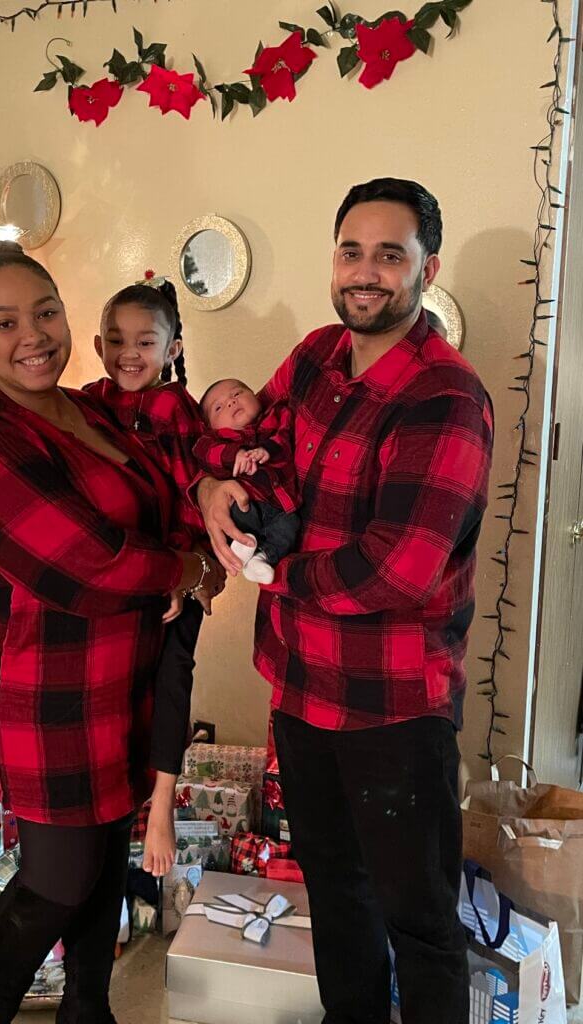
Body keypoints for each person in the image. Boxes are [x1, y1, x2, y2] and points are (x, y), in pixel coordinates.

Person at [197, 178, 493, 1024]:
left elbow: (396, 571)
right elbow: (248, 442)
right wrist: (212, 487)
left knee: (419, 920)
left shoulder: (445, 396)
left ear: (426, 270)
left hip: (393, 705)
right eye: (351, 251)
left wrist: (274, 571)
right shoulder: (317, 356)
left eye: (390, 255)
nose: (366, 272)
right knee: (335, 891)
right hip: (300, 688)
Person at [0, 241, 221, 1024]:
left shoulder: (94, 407)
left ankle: (89, 1011)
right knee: (58, 880)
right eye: (5, 322)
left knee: (100, 872)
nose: (32, 335)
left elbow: (170, 484)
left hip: (125, 685)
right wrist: (185, 569)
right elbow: (86, 564)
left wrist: (202, 531)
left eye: (46, 312)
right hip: (48, 700)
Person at [84, 276, 210, 879]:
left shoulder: (173, 410)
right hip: (120, 572)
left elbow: (195, 492)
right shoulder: (87, 403)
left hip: (174, 571)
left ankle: (161, 802)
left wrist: (181, 572)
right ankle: (113, 789)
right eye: (116, 340)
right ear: (97, 345)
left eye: (144, 341)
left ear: (172, 348)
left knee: (172, 673)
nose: (128, 354)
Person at [195, 377, 300, 584]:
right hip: (246, 503)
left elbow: (285, 435)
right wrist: (233, 455)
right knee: (235, 513)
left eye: (237, 393)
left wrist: (268, 449)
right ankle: (242, 544)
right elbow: (204, 453)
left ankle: (261, 559)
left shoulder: (277, 414)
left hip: (281, 506)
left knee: (291, 526)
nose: (231, 402)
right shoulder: (215, 440)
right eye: (219, 407)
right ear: (211, 427)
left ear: (256, 395)